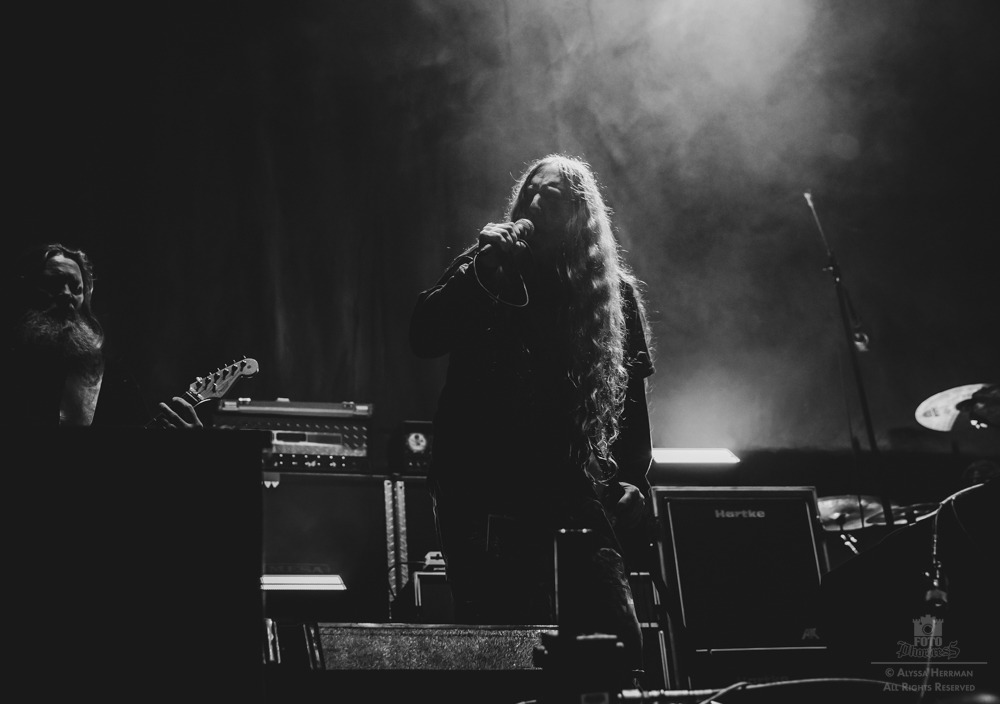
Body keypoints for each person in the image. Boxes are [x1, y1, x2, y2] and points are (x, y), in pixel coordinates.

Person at [410, 154, 655, 671]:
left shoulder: (612, 296)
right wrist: (480, 273)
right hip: (479, 490)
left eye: (556, 198)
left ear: (580, 219)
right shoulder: (487, 270)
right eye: (531, 194)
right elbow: (424, 336)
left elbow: (629, 397)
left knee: (616, 643)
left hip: (567, 488)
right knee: (497, 647)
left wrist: (635, 477)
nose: (538, 204)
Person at [6, 242, 202, 428]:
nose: (67, 295)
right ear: (23, 288)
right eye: (54, 283)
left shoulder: (113, 378)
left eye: (77, 288)